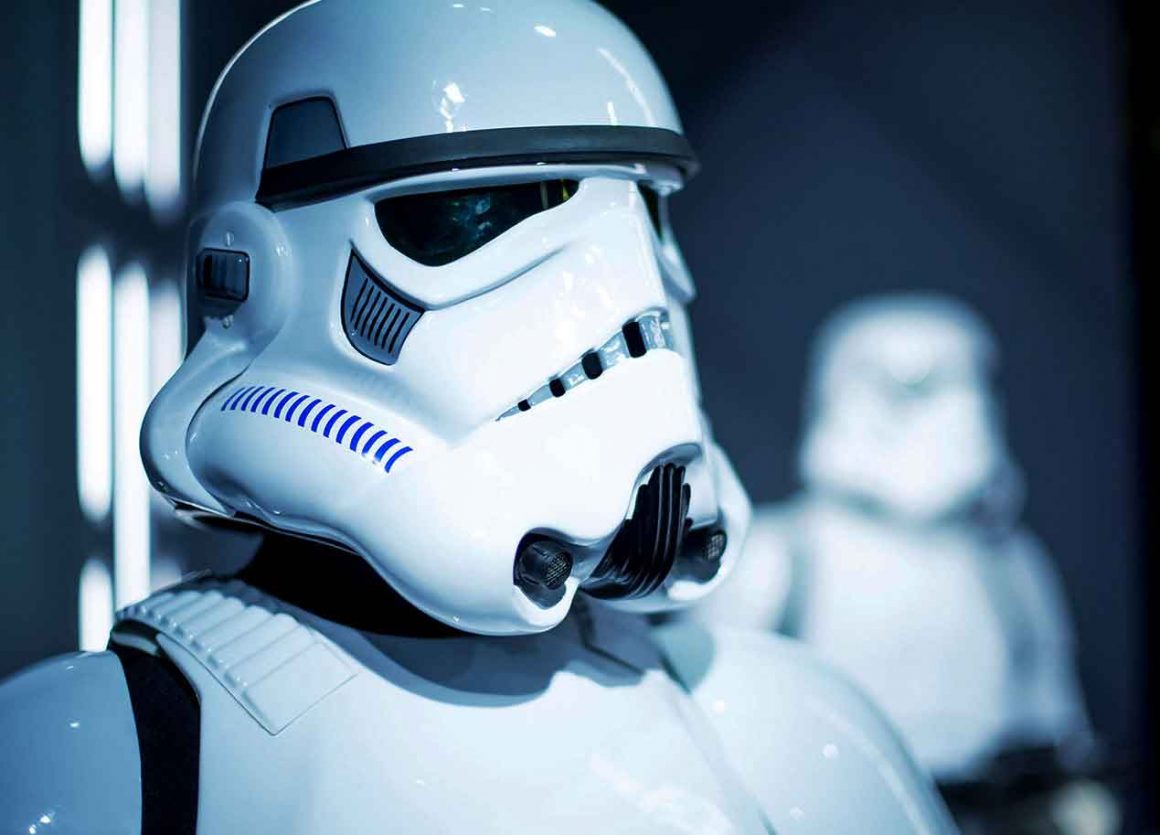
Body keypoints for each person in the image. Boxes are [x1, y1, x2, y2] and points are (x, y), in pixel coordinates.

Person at [0, 4, 957, 833]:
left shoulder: (801, 735)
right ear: (252, 278)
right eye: (484, 213)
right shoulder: (98, 757)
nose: (624, 292)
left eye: (646, 213)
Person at [698, 294, 1115, 835]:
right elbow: (717, 722)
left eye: (938, 383)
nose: (908, 408)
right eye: (881, 381)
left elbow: (1055, 721)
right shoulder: (780, 554)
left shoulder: (1008, 563)